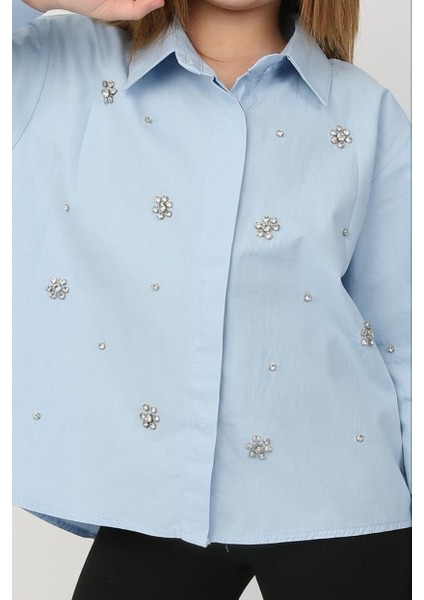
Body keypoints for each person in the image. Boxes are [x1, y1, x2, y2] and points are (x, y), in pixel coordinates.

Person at [12, 0, 412, 598]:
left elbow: (406, 338)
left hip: (343, 495)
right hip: (154, 500)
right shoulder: (60, 64)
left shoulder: (366, 112)